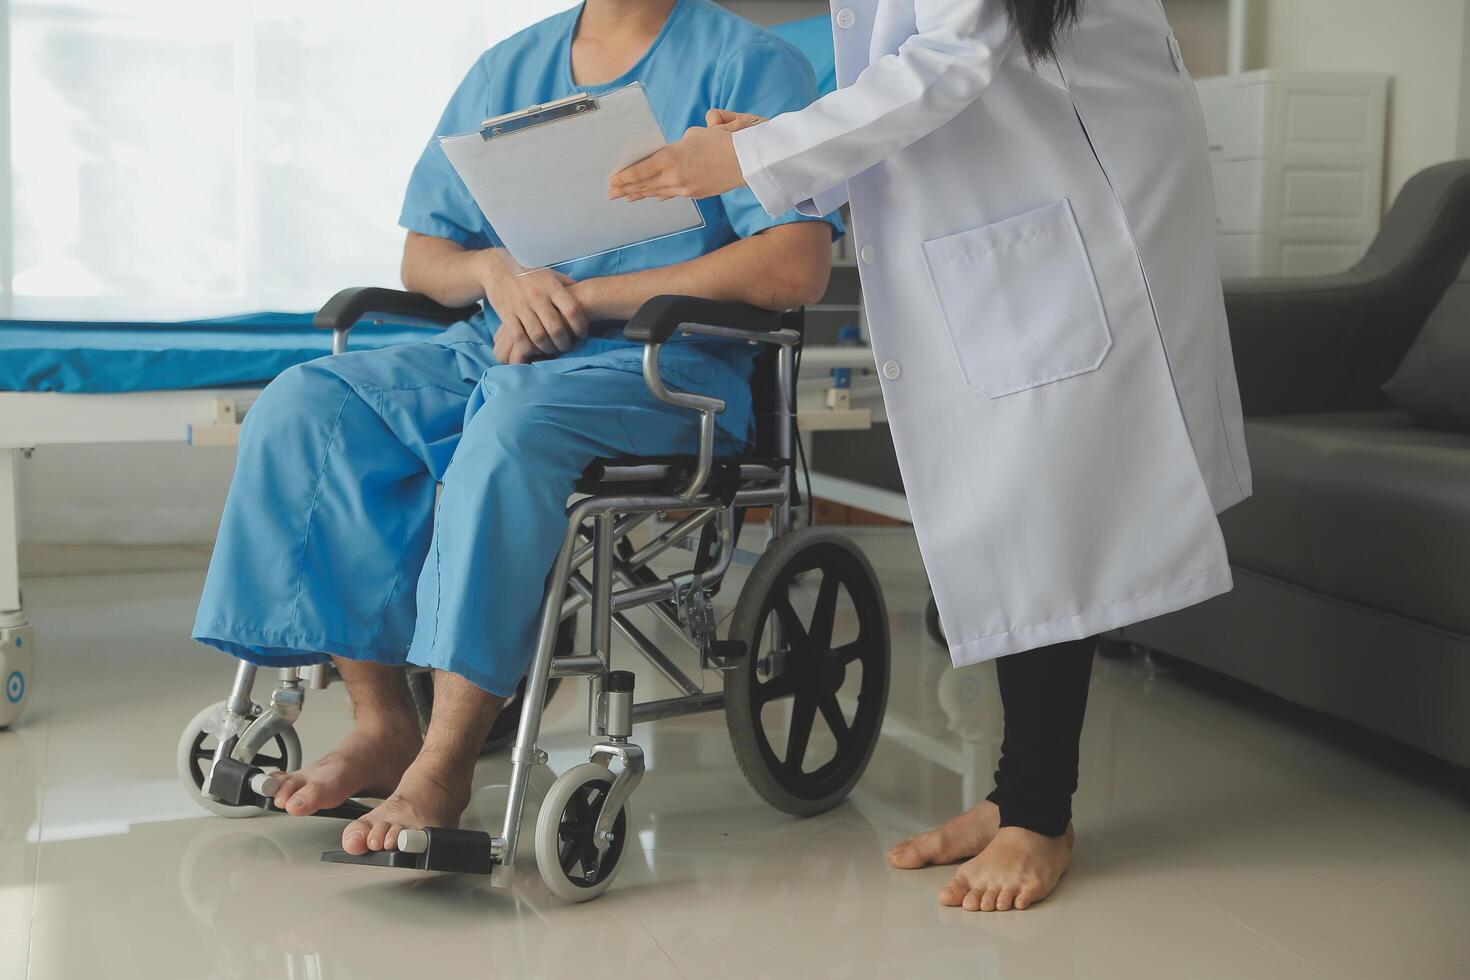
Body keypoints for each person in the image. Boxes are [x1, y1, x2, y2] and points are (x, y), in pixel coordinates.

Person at [610, 0, 1252, 912]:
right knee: (1024, 499)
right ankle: (1017, 797)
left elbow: (951, 60)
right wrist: (782, 144)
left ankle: (1038, 814)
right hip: (1027, 192)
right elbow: (930, 70)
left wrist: (752, 157)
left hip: (1088, 201)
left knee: (1046, 502)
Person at [192, 0, 841, 858]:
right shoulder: (508, 70)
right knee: (308, 404)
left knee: (513, 423)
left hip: (668, 367)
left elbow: (795, 263)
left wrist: (587, 299)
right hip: (503, 347)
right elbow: (426, 256)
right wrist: (496, 272)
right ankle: (383, 722)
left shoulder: (747, 63)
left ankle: (445, 764)